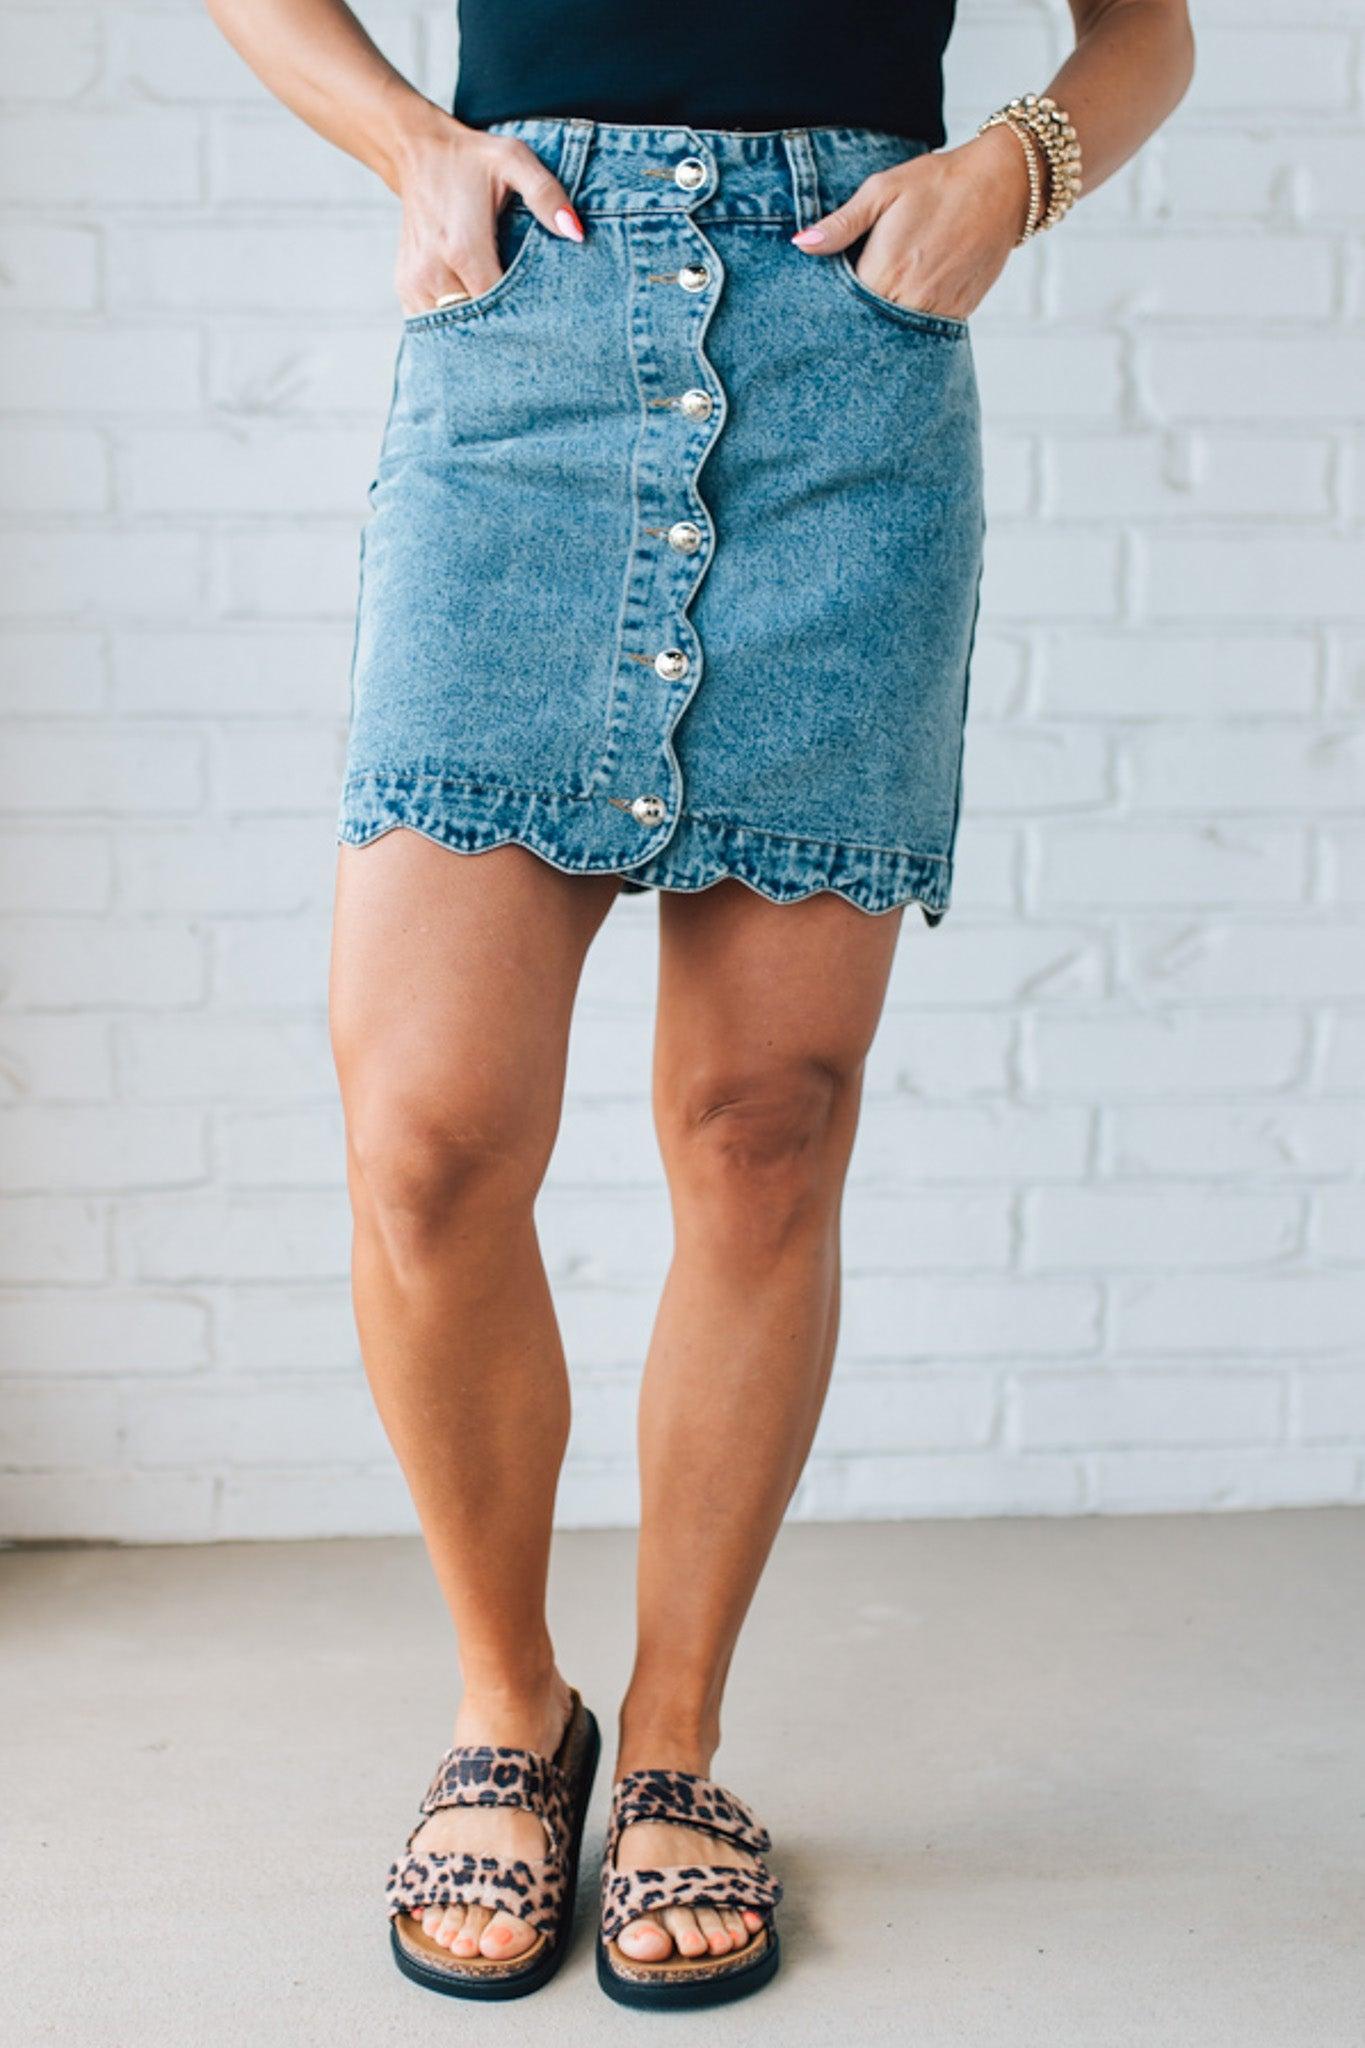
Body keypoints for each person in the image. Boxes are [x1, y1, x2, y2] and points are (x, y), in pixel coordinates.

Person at [206, 0, 1195, 2010]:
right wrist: (406, 137)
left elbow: (1142, 33)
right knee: (423, 1136)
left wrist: (1008, 170)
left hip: (851, 372)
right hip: (530, 348)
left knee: (762, 1129)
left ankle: (671, 1746)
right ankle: (513, 1714)